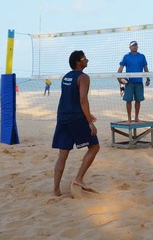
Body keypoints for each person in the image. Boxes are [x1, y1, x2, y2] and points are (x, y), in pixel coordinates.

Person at [52, 50, 100, 197]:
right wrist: (89, 122)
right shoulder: (84, 77)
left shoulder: (66, 76)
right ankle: (78, 179)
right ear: (78, 62)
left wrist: (87, 113)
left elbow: (70, 98)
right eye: (84, 59)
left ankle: (56, 190)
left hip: (62, 116)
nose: (87, 60)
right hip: (76, 118)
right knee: (94, 147)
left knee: (63, 154)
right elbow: (82, 99)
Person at [117, 41, 150, 122]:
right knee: (128, 100)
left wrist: (148, 78)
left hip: (139, 81)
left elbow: (145, 68)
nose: (134, 47)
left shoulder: (142, 56)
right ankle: (129, 118)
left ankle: (136, 118)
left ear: (137, 47)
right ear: (130, 47)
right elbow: (120, 70)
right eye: (133, 46)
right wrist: (119, 79)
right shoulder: (126, 56)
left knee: (138, 100)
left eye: (135, 45)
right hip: (129, 82)